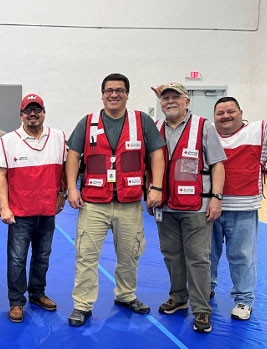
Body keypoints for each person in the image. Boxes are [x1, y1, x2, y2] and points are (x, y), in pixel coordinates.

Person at [66, 73, 165, 327]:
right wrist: (71, 188)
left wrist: (156, 186)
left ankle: (125, 295)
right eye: (109, 90)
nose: (114, 94)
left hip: (130, 203)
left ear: (127, 94)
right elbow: (74, 155)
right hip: (93, 205)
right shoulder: (87, 122)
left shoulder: (141, 121)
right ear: (102, 94)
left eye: (119, 90)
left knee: (130, 254)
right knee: (86, 255)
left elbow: (156, 154)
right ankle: (82, 305)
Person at [150, 83, 226, 333]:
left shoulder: (204, 126)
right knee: (171, 255)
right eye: (165, 98)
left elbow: (217, 164)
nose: (170, 102)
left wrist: (216, 197)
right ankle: (179, 297)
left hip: (197, 206)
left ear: (187, 101)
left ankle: (202, 309)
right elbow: (149, 166)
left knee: (198, 259)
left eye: (175, 97)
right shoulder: (155, 128)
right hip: (165, 207)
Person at [0, 94, 66, 323]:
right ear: (21, 115)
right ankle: (16, 301)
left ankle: (37, 294)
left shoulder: (58, 137)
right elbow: (2, 175)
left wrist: (62, 193)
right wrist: (4, 207)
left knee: (42, 255)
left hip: (47, 211)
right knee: (17, 258)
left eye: (37, 109)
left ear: (44, 113)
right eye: (28, 110)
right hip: (20, 213)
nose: (33, 114)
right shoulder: (8, 141)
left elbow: (66, 169)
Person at [210, 96, 267, 321]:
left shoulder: (260, 131)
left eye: (230, 111)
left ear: (241, 112)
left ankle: (244, 300)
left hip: (243, 207)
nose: (225, 116)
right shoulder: (207, 133)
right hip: (210, 206)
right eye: (220, 113)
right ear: (213, 116)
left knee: (242, 256)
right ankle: (206, 288)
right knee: (206, 254)